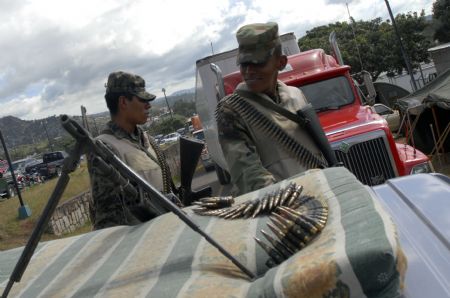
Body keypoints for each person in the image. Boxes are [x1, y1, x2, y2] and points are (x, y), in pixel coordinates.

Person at [216, 22, 328, 195]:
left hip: (321, 190)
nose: (249, 71)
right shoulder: (232, 110)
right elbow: (249, 176)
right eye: (244, 64)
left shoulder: (296, 95)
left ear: (281, 62)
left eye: (258, 63)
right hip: (281, 207)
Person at [88, 71, 175, 230]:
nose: (148, 105)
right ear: (123, 102)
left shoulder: (148, 140)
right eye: (142, 99)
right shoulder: (105, 148)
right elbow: (109, 221)